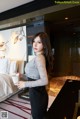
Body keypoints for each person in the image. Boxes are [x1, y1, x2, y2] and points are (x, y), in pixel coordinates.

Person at [17, 32, 53, 119]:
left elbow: (44, 80)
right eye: (34, 41)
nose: (35, 44)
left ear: (44, 44)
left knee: (37, 116)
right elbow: (34, 77)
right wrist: (22, 76)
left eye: (39, 42)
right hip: (37, 93)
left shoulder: (39, 58)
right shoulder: (40, 57)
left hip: (38, 95)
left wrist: (25, 84)